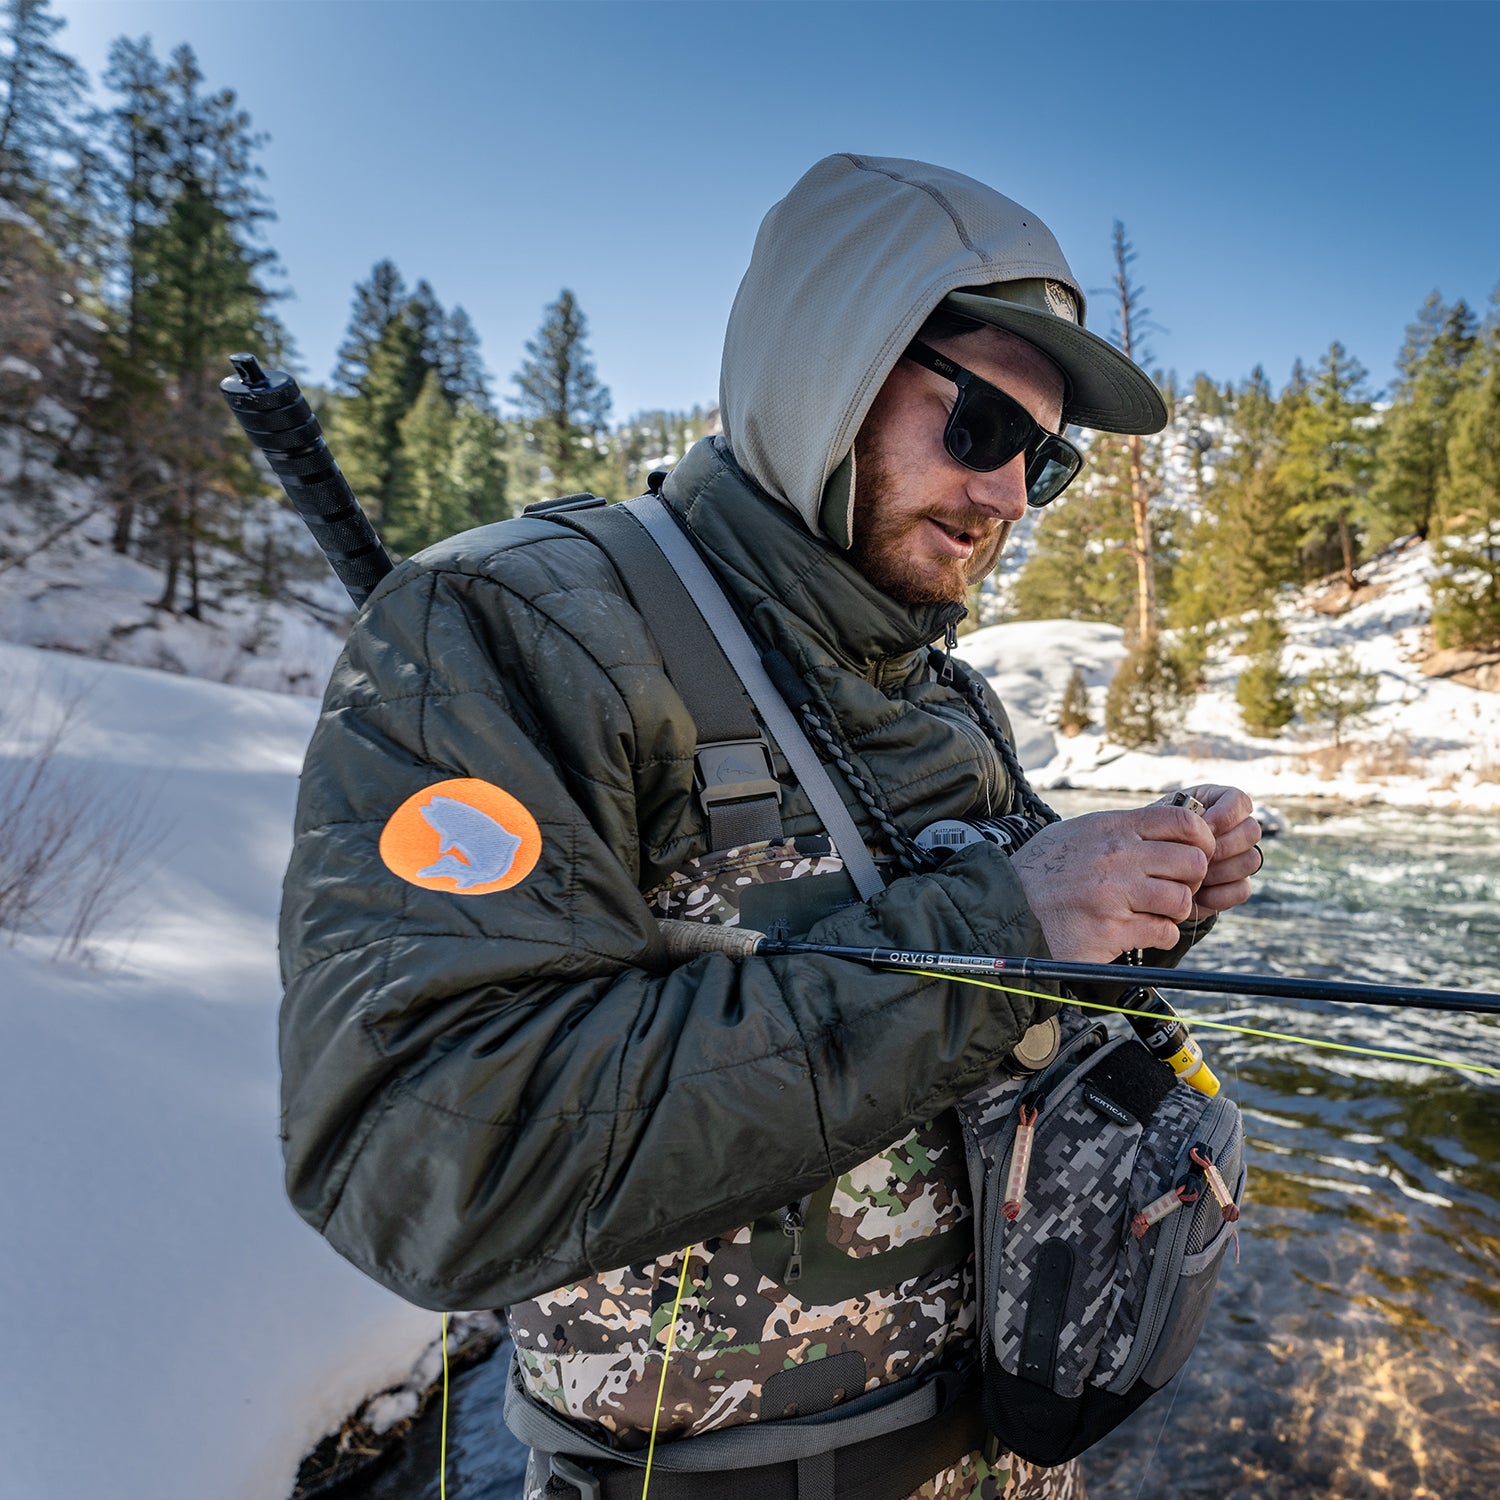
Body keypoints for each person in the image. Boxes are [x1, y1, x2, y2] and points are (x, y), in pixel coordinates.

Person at [277, 154, 1263, 1500]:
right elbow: (437, 1161)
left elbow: (1034, 979)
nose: (1009, 496)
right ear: (830, 366)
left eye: (1046, 458)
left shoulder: (945, 689)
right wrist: (999, 929)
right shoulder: (515, 627)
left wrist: (1148, 896)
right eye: (979, 425)